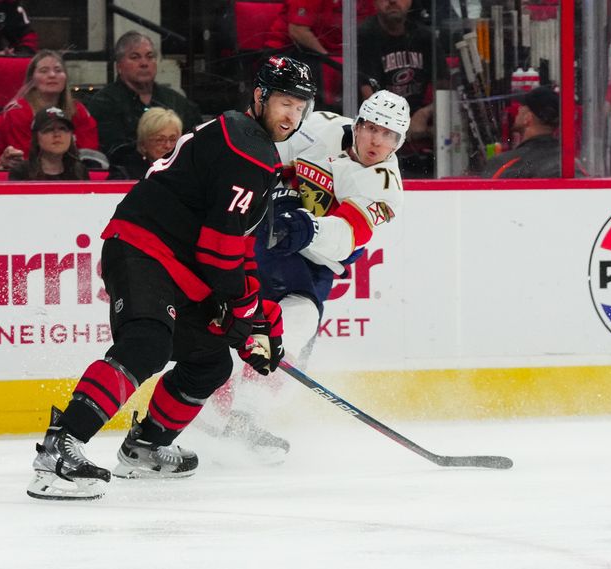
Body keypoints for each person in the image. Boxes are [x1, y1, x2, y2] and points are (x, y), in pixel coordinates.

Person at [26, 55, 317, 501]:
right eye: (284, 102)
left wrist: (260, 317)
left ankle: (145, 447)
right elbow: (218, 253)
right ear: (260, 97)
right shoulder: (248, 150)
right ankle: (60, 449)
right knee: (147, 343)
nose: (291, 115)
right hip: (145, 248)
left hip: (177, 263)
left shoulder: (254, 146)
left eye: (300, 107)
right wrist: (245, 316)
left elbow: (238, 247)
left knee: (211, 362)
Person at [203, 92, 410, 460]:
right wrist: (268, 194)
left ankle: (241, 416)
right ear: (358, 124)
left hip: (312, 262)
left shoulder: (385, 187)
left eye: (390, 135)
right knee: (247, 317)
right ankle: (211, 407)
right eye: (373, 128)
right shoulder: (319, 127)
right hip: (265, 236)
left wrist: (306, 228)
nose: (378, 141)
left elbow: (349, 235)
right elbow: (270, 155)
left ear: (400, 142)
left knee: (293, 332)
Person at [357, 0, 446, 178]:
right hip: (380, 130)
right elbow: (369, 96)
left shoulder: (424, 37)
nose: (392, 2)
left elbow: (445, 89)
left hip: (420, 132)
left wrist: (425, 113)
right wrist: (400, 126)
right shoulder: (365, 36)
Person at [86, 31, 202, 158]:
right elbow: (112, 151)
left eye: (150, 56)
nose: (144, 63)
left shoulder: (177, 102)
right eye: (135, 57)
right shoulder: (103, 103)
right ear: (119, 66)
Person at [0, 50, 99, 161]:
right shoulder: (17, 112)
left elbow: (89, 154)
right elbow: (23, 159)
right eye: (44, 71)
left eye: (58, 70)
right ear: (32, 80)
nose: (52, 75)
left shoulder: (78, 110)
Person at [481, 86, 560, 179]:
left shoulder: (504, 165)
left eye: (522, 106)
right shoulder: (568, 163)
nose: (518, 109)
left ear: (528, 118)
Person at [8, 106, 89, 181]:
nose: (57, 134)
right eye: (49, 129)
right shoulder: (21, 172)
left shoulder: (80, 171)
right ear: (36, 138)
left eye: (63, 129)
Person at [108, 107, 182, 180]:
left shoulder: (186, 168)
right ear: (143, 143)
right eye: (160, 140)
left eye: (173, 139)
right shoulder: (124, 173)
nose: (168, 146)